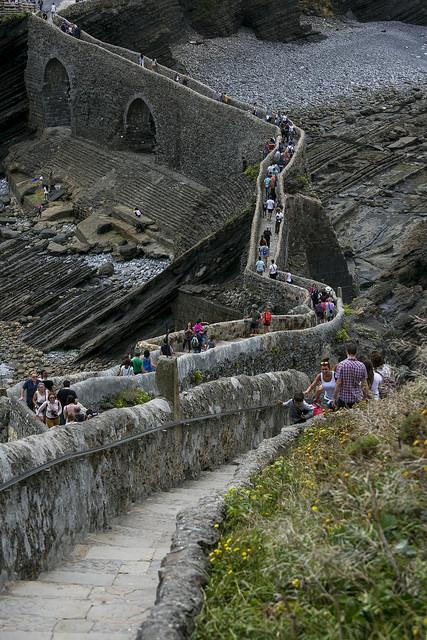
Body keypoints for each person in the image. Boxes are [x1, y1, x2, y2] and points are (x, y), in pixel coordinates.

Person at [332, 344, 371, 409]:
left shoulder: (341, 365)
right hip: (357, 399)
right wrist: (367, 396)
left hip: (344, 399)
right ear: (356, 352)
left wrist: (334, 397)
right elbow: (364, 384)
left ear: (346, 352)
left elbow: (338, 383)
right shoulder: (362, 366)